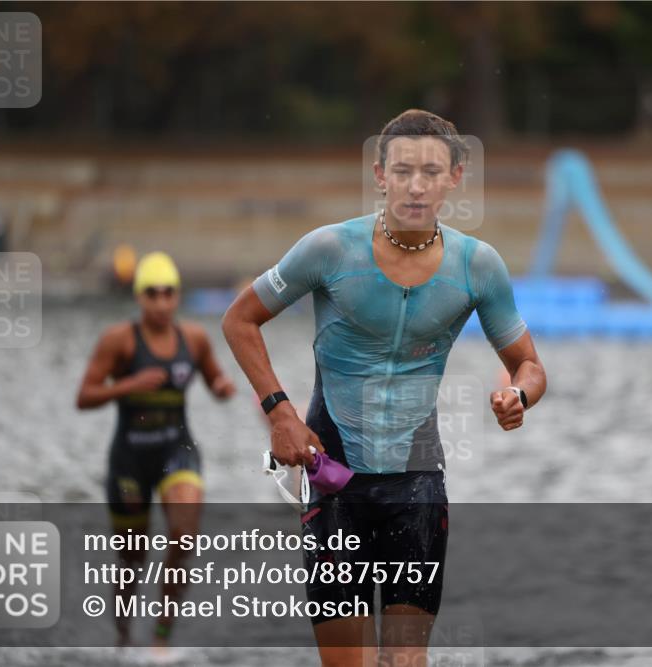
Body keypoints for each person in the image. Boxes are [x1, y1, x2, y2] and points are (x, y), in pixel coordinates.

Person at [222, 109, 546, 667]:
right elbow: (239, 320)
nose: (415, 185)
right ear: (379, 175)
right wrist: (280, 413)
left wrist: (518, 395)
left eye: (429, 172)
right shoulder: (328, 250)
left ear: (455, 178)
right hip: (334, 481)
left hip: (417, 485)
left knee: (404, 662)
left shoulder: (478, 266)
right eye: (402, 171)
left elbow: (529, 365)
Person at [76, 251, 236, 648]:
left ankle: (162, 636)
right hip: (130, 460)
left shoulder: (194, 338)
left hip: (176, 452)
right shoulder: (118, 341)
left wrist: (222, 387)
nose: (162, 303)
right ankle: (123, 637)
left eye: (169, 294)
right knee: (132, 561)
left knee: (184, 536)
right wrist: (128, 385)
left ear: (177, 296)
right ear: (139, 297)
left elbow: (216, 378)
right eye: (153, 294)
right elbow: (85, 396)